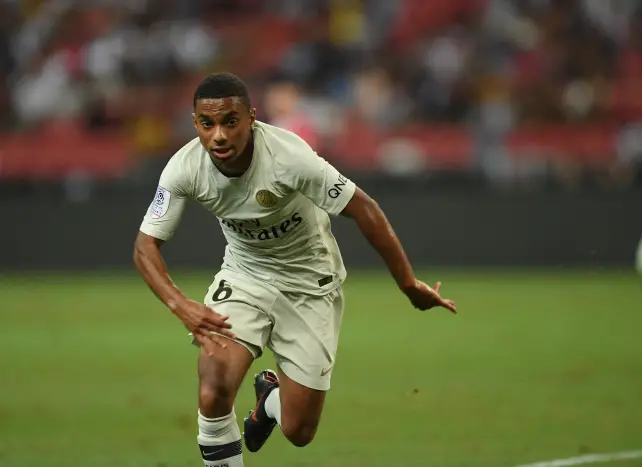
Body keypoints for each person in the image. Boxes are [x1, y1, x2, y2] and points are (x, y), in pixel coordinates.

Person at [133, 72, 456, 467]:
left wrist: (408, 284)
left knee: (299, 431)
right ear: (195, 123)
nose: (218, 135)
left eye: (230, 122)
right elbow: (144, 247)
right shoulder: (184, 168)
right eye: (207, 123)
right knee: (214, 384)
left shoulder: (290, 158)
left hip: (311, 285)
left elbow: (365, 209)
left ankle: (270, 401)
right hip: (244, 278)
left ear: (251, 118)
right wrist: (180, 305)